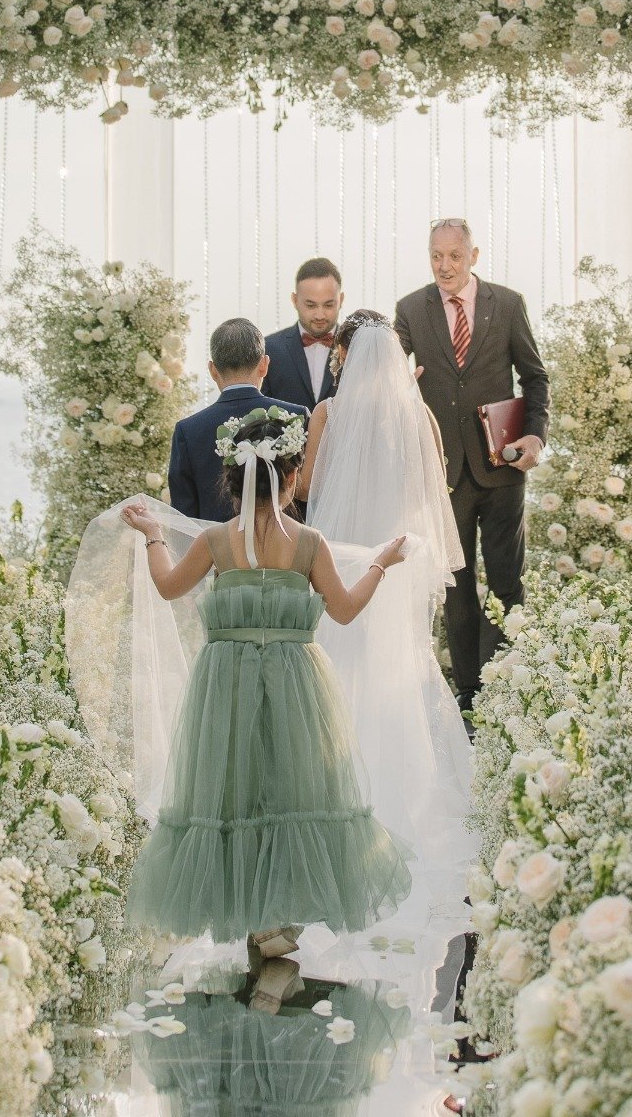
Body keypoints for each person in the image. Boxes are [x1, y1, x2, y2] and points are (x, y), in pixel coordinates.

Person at [113, 408, 411, 985]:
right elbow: (345, 610)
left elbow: (168, 585)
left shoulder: (215, 543)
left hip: (225, 686)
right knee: (293, 790)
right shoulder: (308, 544)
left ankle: (256, 918)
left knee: (236, 792)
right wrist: (381, 561)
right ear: (294, 476)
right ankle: (280, 920)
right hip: (298, 683)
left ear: (231, 478)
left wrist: (153, 535)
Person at [297, 310, 471, 898]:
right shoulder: (417, 415)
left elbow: (305, 489)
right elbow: (435, 486)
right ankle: (407, 801)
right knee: (401, 673)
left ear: (343, 357)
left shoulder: (328, 413)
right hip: (397, 565)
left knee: (342, 673)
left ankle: (340, 801)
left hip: (345, 560)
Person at [394, 219, 550, 712]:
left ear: (474, 255)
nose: (444, 266)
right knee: (456, 586)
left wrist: (535, 436)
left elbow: (535, 378)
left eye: (454, 257)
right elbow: (386, 372)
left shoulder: (507, 304)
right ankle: (468, 693)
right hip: (443, 472)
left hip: (501, 468)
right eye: (436, 256)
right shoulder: (410, 310)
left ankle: (501, 686)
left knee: (506, 581)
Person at [167, 318, 307, 524]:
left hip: (215, 553)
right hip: (286, 550)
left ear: (213, 370)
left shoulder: (188, 431)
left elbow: (183, 517)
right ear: (264, 365)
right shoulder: (297, 417)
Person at [262, 259, 344, 412]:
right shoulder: (269, 348)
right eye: (311, 305)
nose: (320, 315)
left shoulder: (356, 348)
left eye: (328, 305)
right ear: (294, 300)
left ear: (341, 300)